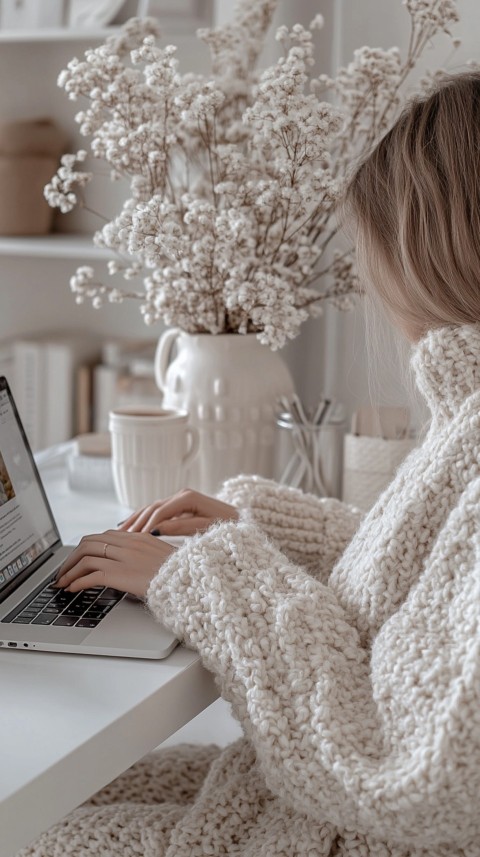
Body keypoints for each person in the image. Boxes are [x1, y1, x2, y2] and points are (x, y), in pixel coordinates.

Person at [22, 71, 480, 857]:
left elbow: (408, 779)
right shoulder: (466, 413)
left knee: (34, 824)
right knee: (64, 792)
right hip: (303, 811)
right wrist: (271, 529)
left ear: (429, 253)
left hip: (340, 830)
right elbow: (433, 586)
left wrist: (207, 576)